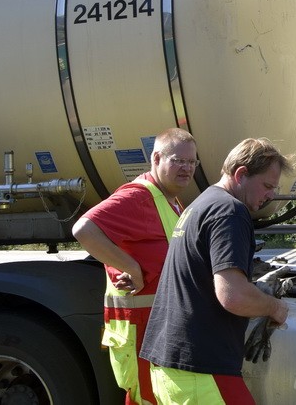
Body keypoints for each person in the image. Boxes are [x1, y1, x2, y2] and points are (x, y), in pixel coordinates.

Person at [140, 137, 292, 405]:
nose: (271, 195)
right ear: (241, 174)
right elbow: (233, 296)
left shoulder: (202, 203)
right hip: (202, 371)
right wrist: (274, 307)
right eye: (267, 186)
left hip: (169, 367)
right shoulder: (230, 211)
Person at [72, 128, 197, 405]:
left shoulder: (171, 199)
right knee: (145, 398)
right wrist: (132, 267)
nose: (186, 168)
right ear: (156, 158)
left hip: (157, 327)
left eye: (191, 162)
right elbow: (84, 229)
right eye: (178, 160)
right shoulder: (138, 197)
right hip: (141, 329)